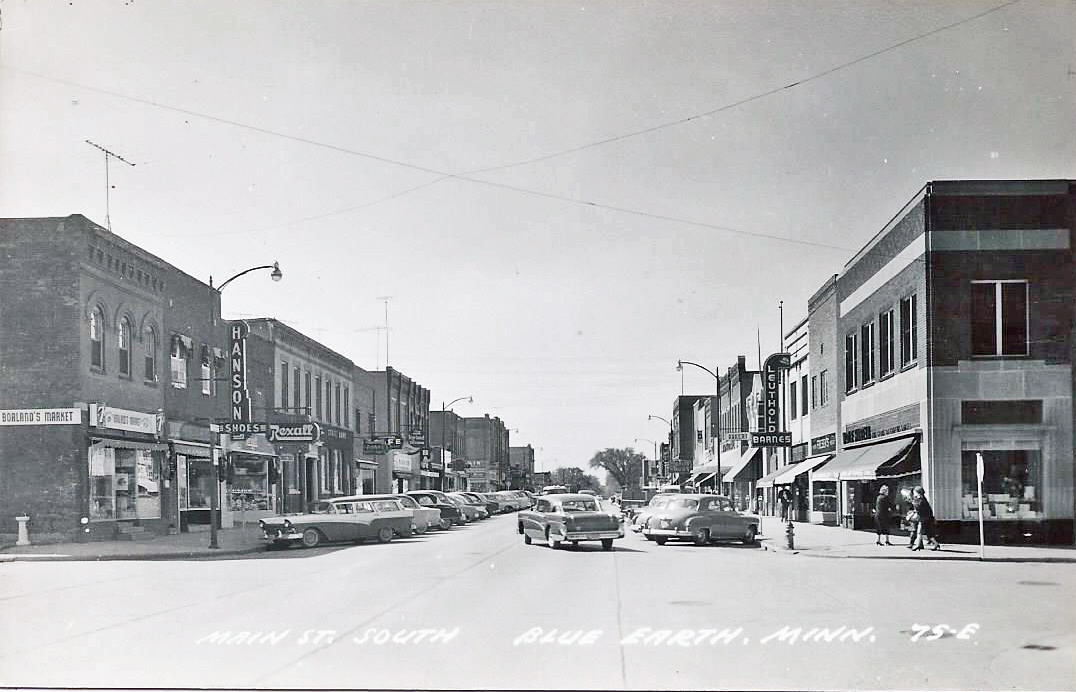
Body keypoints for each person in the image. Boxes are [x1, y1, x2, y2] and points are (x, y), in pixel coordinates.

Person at [910, 486, 940, 551]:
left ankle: (918, 545)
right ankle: (936, 544)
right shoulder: (921, 499)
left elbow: (918, 508)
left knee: (919, 532)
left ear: (918, 492)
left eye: (915, 492)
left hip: (924, 518)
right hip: (925, 518)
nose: (914, 493)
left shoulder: (921, 500)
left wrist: (914, 502)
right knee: (928, 533)